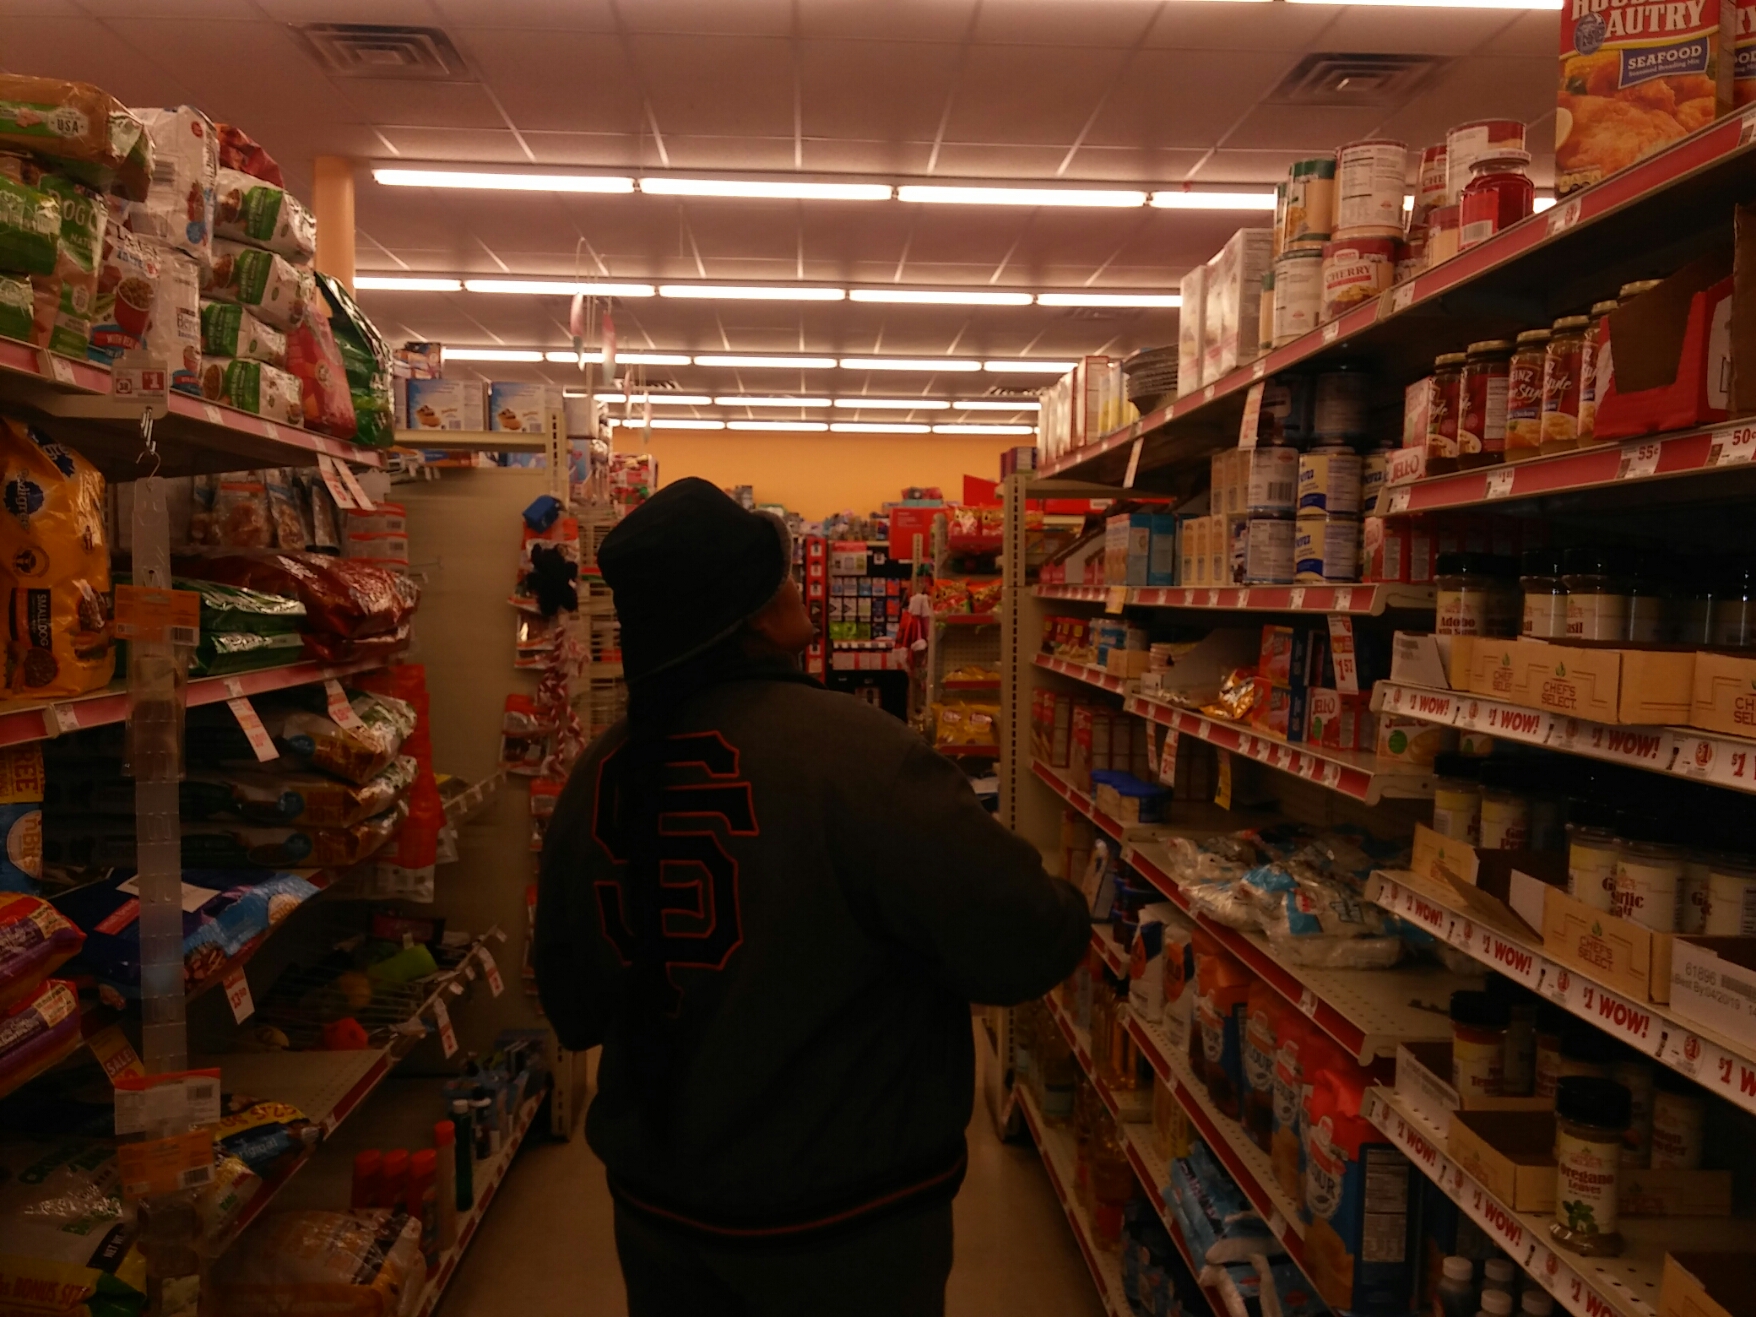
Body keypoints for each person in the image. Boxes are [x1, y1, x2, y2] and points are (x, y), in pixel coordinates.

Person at [534, 478, 1090, 1317]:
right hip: (846, 1228)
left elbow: (572, 1006)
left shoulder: (598, 775)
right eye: (782, 573)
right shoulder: (859, 756)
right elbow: (1024, 938)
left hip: (661, 1219)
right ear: (756, 617)